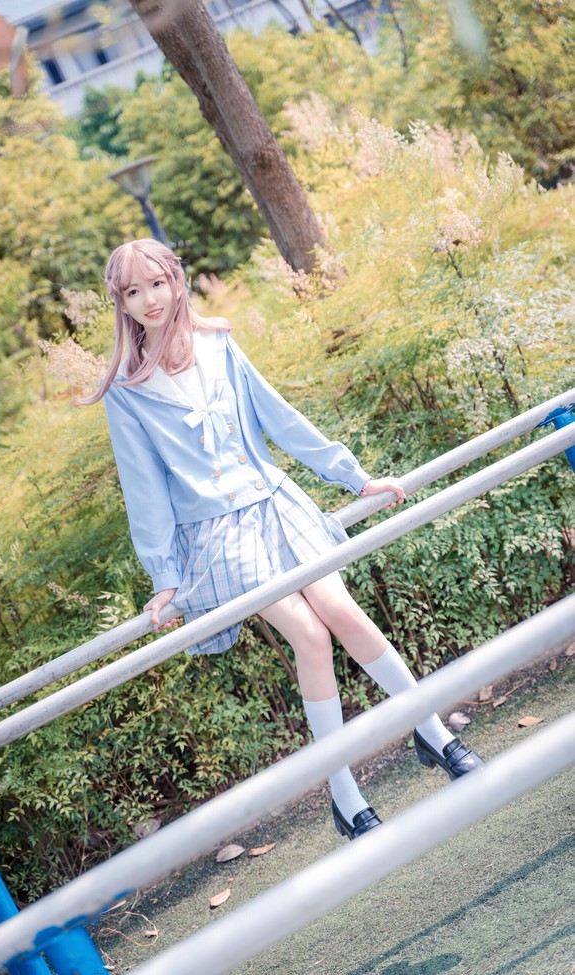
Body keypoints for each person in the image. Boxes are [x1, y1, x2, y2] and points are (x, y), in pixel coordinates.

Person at [90, 238, 484, 841]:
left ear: (177, 280)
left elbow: (279, 417)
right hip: (217, 534)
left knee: (341, 613)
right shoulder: (126, 388)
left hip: (276, 501)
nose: (148, 300)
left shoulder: (218, 343)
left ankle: (433, 732)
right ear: (121, 303)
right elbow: (142, 487)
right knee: (308, 634)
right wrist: (164, 575)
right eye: (132, 292)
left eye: (157, 283)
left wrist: (352, 476)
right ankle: (345, 795)